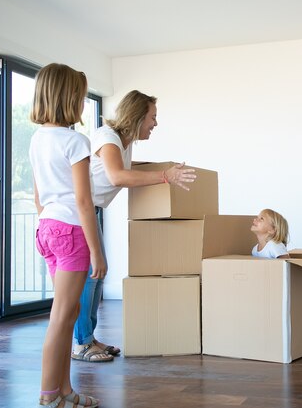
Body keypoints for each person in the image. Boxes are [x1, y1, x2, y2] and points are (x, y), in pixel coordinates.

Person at [71, 89, 197, 362]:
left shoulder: (122, 144)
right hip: (78, 212)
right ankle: (81, 343)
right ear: (138, 116)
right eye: (153, 117)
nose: (155, 124)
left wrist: (164, 168)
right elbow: (117, 176)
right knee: (91, 276)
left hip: (91, 211)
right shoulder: (108, 137)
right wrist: (165, 176)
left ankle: (89, 338)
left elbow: (127, 167)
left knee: (98, 275)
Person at [29, 63, 102, 407]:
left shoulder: (38, 139)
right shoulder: (75, 140)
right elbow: (84, 202)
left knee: (68, 312)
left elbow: (38, 196)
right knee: (61, 317)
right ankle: (48, 397)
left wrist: (50, 224)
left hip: (47, 228)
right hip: (71, 231)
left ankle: (65, 391)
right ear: (70, 98)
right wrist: (98, 252)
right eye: (82, 97)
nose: (84, 103)